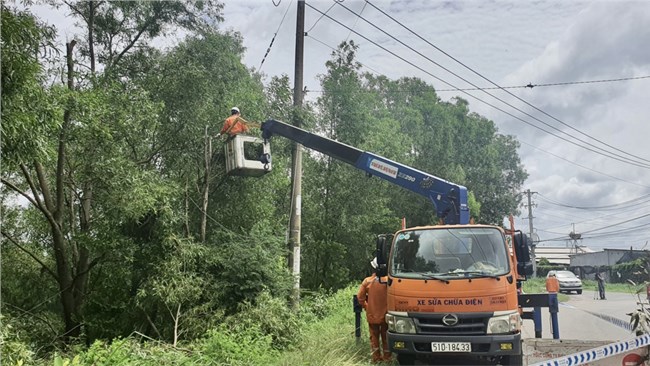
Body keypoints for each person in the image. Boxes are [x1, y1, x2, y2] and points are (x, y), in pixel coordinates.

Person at [357, 258, 391, 363]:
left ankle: (376, 359)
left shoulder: (367, 281)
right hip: (386, 315)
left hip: (372, 315)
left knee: (374, 338)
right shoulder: (389, 281)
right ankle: (388, 359)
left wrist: (367, 307)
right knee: (386, 337)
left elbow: (360, 298)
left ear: (374, 267)